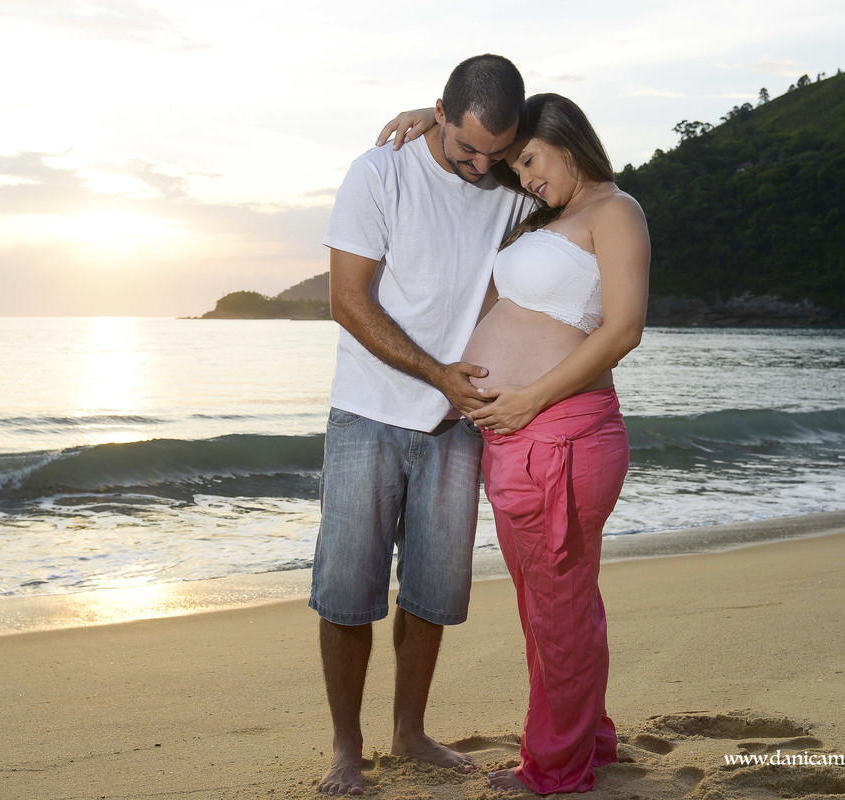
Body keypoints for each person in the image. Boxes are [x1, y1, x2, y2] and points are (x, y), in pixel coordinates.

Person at [378, 93, 650, 794]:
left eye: (530, 160)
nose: (524, 177)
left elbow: (622, 330)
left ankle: (555, 770)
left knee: (555, 609)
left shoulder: (615, 212)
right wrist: (434, 117)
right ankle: (589, 742)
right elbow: (488, 120)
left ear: (568, 139)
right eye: (517, 166)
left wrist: (530, 398)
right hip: (529, 439)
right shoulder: (557, 216)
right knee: (558, 604)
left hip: (558, 432)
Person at [310, 55, 533, 797]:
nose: (479, 165)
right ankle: (347, 746)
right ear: (441, 110)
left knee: (431, 594)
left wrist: (454, 389)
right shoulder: (381, 171)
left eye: (495, 152)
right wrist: (436, 372)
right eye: (468, 146)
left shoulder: (506, 177)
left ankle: (409, 732)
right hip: (368, 413)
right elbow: (349, 300)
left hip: (457, 423)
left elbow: (578, 166)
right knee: (347, 592)